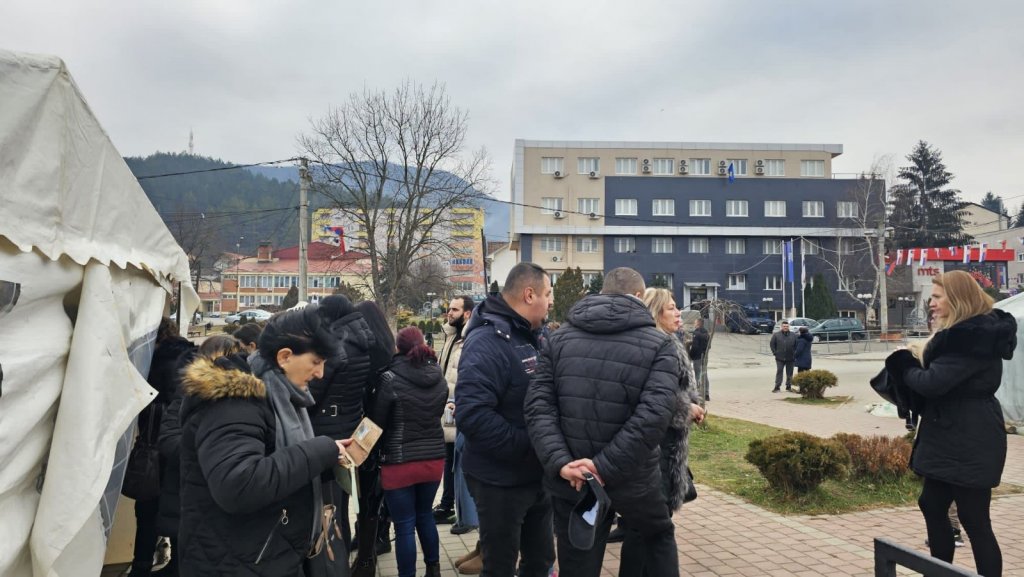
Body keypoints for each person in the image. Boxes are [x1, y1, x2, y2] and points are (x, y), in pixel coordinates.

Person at [524, 268, 682, 577]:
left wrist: (562, 462)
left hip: (573, 477)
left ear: (602, 293)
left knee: (578, 559)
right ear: (639, 296)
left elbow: (538, 406)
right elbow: (654, 416)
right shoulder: (660, 344)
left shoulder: (558, 339)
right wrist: (602, 468)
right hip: (634, 479)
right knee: (657, 537)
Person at [177, 305, 352, 576]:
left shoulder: (276, 395)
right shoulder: (234, 402)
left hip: (263, 555)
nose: (320, 373)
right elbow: (239, 484)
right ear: (285, 357)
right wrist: (318, 451)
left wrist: (328, 460)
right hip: (232, 563)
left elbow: (274, 462)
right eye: (316, 362)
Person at [883, 270, 1015, 576]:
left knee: (974, 519)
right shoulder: (961, 334)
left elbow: (933, 383)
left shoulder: (972, 338)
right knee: (931, 504)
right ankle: (940, 571)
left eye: (937, 297)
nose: (931, 302)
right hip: (950, 432)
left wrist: (903, 364)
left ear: (957, 299)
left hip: (971, 437)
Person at [456, 262, 556, 577]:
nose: (551, 301)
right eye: (548, 293)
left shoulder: (535, 335)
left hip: (536, 475)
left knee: (540, 560)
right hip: (499, 481)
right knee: (499, 566)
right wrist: (532, 446)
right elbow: (473, 415)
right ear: (529, 295)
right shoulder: (487, 342)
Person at [370, 326, 449, 577]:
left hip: (399, 460)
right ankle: (434, 569)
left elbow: (377, 422)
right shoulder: (438, 375)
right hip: (433, 459)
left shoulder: (389, 378)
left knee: (404, 524)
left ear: (398, 348)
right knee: (425, 515)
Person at [308, 294, 378, 554]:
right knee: (341, 500)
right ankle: (341, 553)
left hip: (328, 429)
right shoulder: (361, 341)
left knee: (328, 503)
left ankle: (333, 559)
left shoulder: (337, 345)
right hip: (349, 424)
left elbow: (313, 394)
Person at [129, 317, 195, 577]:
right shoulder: (192, 358)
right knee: (178, 510)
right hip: (181, 449)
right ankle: (177, 565)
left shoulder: (151, 363)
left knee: (146, 512)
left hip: (154, 448)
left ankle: (141, 567)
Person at [351, 300, 399, 577]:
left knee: (366, 493)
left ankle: (366, 553)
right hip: (386, 432)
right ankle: (376, 537)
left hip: (366, 430)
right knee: (376, 492)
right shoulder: (389, 351)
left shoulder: (365, 353)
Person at [769, 321, 797, 392]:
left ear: (789, 327)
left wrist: (794, 353)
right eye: (784, 326)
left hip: (790, 358)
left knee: (789, 373)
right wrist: (775, 352)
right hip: (779, 358)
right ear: (781, 327)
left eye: (787, 326)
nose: (785, 327)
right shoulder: (776, 335)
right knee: (779, 371)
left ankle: (788, 386)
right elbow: (772, 344)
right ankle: (777, 386)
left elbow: (797, 345)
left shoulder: (793, 335)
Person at [688, 317, 710, 401]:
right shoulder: (707, 333)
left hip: (697, 357)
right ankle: (706, 393)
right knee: (704, 374)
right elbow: (709, 346)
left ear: (698, 324)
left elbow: (695, 346)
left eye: (695, 323)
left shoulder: (696, 333)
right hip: (705, 356)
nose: (694, 324)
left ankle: (700, 393)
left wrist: (690, 355)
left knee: (698, 375)